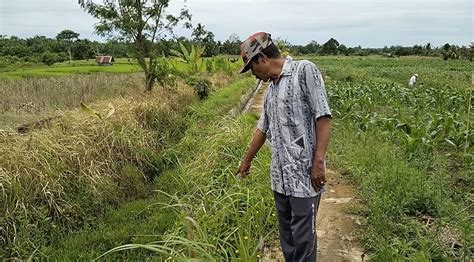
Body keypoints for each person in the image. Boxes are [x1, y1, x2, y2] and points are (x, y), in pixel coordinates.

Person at [235, 32, 332, 262]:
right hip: (279, 179)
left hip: (304, 178)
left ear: (262, 59)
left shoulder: (304, 71)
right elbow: (262, 129)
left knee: (304, 238)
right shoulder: (272, 92)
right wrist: (246, 161)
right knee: (287, 237)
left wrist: (318, 162)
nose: (254, 75)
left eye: (252, 68)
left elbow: (323, 116)